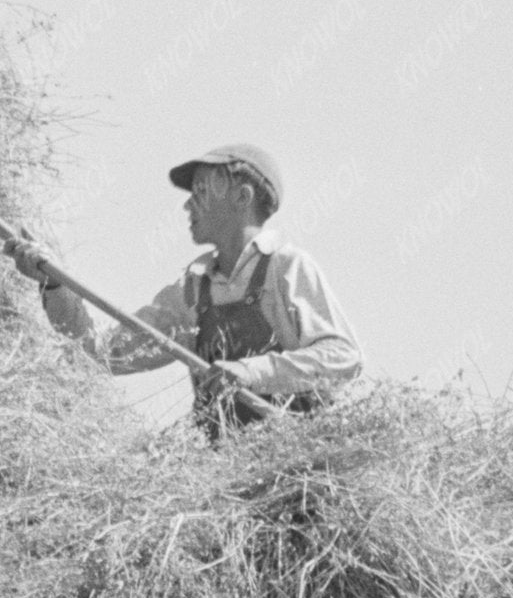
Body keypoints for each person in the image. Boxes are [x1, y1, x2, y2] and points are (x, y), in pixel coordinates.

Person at [49, 140, 363, 437]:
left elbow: (343, 357)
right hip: (226, 479)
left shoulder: (285, 267)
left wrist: (252, 372)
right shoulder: (192, 292)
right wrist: (53, 284)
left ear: (242, 197)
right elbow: (102, 354)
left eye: (201, 190)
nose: (188, 204)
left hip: (299, 469)